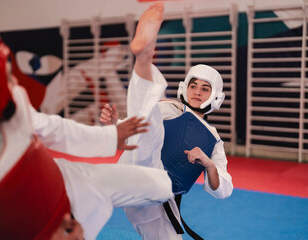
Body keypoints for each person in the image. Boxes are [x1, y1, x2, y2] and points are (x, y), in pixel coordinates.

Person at [0, 22, 174, 240]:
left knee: (162, 185)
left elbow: (57, 130)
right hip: (38, 228)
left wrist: (111, 137)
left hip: (68, 181)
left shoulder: (15, 102)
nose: (14, 82)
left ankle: (143, 64)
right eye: (6, 78)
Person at [100, 2, 233, 239]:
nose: (197, 92)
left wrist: (209, 165)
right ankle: (144, 56)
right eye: (193, 85)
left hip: (157, 197)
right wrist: (114, 125)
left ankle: (144, 58)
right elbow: (128, 137)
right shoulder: (169, 108)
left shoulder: (213, 141)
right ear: (185, 87)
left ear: (215, 97)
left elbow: (223, 190)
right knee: (149, 117)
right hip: (134, 176)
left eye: (205, 89)